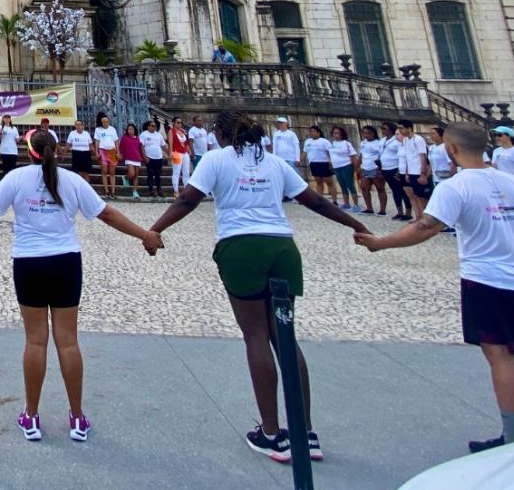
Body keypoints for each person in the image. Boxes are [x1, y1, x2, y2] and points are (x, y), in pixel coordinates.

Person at [356, 121, 514, 453]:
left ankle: (513, 440)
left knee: (501, 358)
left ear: (451, 149)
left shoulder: (455, 186)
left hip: (486, 281)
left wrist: (380, 243)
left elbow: (425, 226)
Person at [148, 110, 370, 463]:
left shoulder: (217, 159)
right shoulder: (274, 162)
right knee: (285, 337)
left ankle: (270, 433)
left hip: (241, 247)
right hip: (283, 248)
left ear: (220, 133)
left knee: (256, 336)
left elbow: (188, 199)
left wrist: (155, 230)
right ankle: (305, 432)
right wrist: (357, 225)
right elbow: (315, 200)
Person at [0, 130, 160, 443]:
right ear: (57, 150)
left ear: (28, 150)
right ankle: (77, 417)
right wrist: (144, 234)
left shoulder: (16, 179)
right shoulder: (73, 181)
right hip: (66, 263)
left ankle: (31, 416)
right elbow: (107, 214)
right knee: (68, 342)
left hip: (29, 263)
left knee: (35, 341)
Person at [399, 120, 432, 221]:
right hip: (412, 172)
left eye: (401, 128)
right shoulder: (405, 140)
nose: (400, 130)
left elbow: (423, 157)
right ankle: (421, 217)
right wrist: (407, 173)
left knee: (424, 197)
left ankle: (429, 218)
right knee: (417, 196)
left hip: (418, 171)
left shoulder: (418, 139)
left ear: (409, 128)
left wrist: (423, 174)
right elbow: (408, 157)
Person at [379, 122, 411, 220]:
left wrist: (399, 170)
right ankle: (399, 212)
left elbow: (402, 157)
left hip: (395, 168)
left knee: (403, 191)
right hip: (385, 168)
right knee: (395, 191)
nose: (382, 130)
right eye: (381, 128)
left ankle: (408, 213)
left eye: (384, 128)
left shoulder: (397, 142)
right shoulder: (382, 140)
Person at [301, 126, 336, 205]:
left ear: (318, 133)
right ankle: (320, 200)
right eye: (310, 131)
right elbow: (305, 152)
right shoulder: (307, 141)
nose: (311, 133)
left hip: (324, 163)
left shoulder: (324, 141)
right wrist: (300, 159)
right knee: (318, 182)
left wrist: (331, 162)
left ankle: (334, 201)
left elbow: (330, 152)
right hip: (313, 164)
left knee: (329, 182)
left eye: (313, 131)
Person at [357, 124, 387, 216]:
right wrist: (358, 166)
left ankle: (382, 210)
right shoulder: (363, 143)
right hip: (365, 167)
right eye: (364, 133)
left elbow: (382, 156)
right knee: (364, 188)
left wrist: (380, 169)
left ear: (373, 134)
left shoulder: (378, 143)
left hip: (375, 167)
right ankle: (369, 208)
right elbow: (361, 155)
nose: (366, 135)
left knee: (380, 189)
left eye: (368, 133)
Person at [327, 126, 358, 211]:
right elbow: (330, 154)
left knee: (350, 184)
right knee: (342, 185)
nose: (336, 135)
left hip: (346, 165)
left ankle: (356, 205)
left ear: (341, 134)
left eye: (338, 133)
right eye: (334, 133)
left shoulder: (346, 143)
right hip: (336, 166)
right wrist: (330, 163)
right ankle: (346, 203)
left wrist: (356, 167)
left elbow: (353, 155)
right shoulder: (331, 144)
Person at [92, 113, 119, 199]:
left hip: (112, 151)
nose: (105, 123)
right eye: (103, 121)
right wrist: (96, 152)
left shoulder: (112, 129)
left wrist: (118, 152)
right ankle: (106, 190)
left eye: (106, 121)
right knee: (104, 171)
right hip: (102, 151)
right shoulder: (98, 130)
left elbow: (116, 141)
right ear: (101, 122)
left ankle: (113, 191)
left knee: (112, 171)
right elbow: (97, 141)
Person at [139, 120, 166, 199]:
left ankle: (159, 190)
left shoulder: (159, 135)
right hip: (149, 157)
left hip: (159, 157)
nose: (154, 127)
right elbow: (141, 146)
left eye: (155, 126)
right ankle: (151, 190)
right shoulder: (144, 134)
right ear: (148, 126)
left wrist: (169, 154)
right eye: (152, 126)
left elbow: (163, 146)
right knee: (150, 174)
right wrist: (144, 157)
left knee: (158, 175)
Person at [118, 124, 143, 199]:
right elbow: (121, 147)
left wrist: (141, 156)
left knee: (136, 175)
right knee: (132, 173)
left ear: (134, 130)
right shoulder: (124, 138)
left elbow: (140, 148)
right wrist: (120, 154)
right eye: (129, 129)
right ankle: (125, 178)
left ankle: (135, 192)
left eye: (132, 129)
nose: (130, 131)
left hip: (137, 157)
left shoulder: (138, 138)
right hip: (128, 158)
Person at [65, 119, 94, 184]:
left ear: (82, 126)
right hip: (76, 154)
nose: (78, 126)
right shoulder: (72, 133)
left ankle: (87, 187)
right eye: (76, 125)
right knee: (78, 173)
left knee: (86, 173)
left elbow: (91, 145)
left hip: (86, 154)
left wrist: (96, 153)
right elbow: (68, 145)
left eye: (79, 124)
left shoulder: (86, 133)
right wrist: (64, 153)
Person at [168, 117, 191, 194]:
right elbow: (170, 143)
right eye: (178, 122)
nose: (180, 124)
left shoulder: (183, 131)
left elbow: (186, 143)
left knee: (186, 172)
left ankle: (186, 190)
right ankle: (176, 190)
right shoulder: (171, 131)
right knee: (176, 172)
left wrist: (189, 151)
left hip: (185, 153)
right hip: (176, 153)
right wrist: (170, 153)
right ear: (173, 123)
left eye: (181, 122)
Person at [0, 115, 21, 180]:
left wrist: (21, 137)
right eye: (5, 118)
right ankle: (5, 181)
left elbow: (17, 140)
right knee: (5, 168)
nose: (7, 119)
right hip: (4, 151)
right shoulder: (0, 127)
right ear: (3, 119)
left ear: (10, 119)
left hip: (13, 151)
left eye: (8, 118)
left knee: (12, 169)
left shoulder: (14, 128)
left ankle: (12, 182)